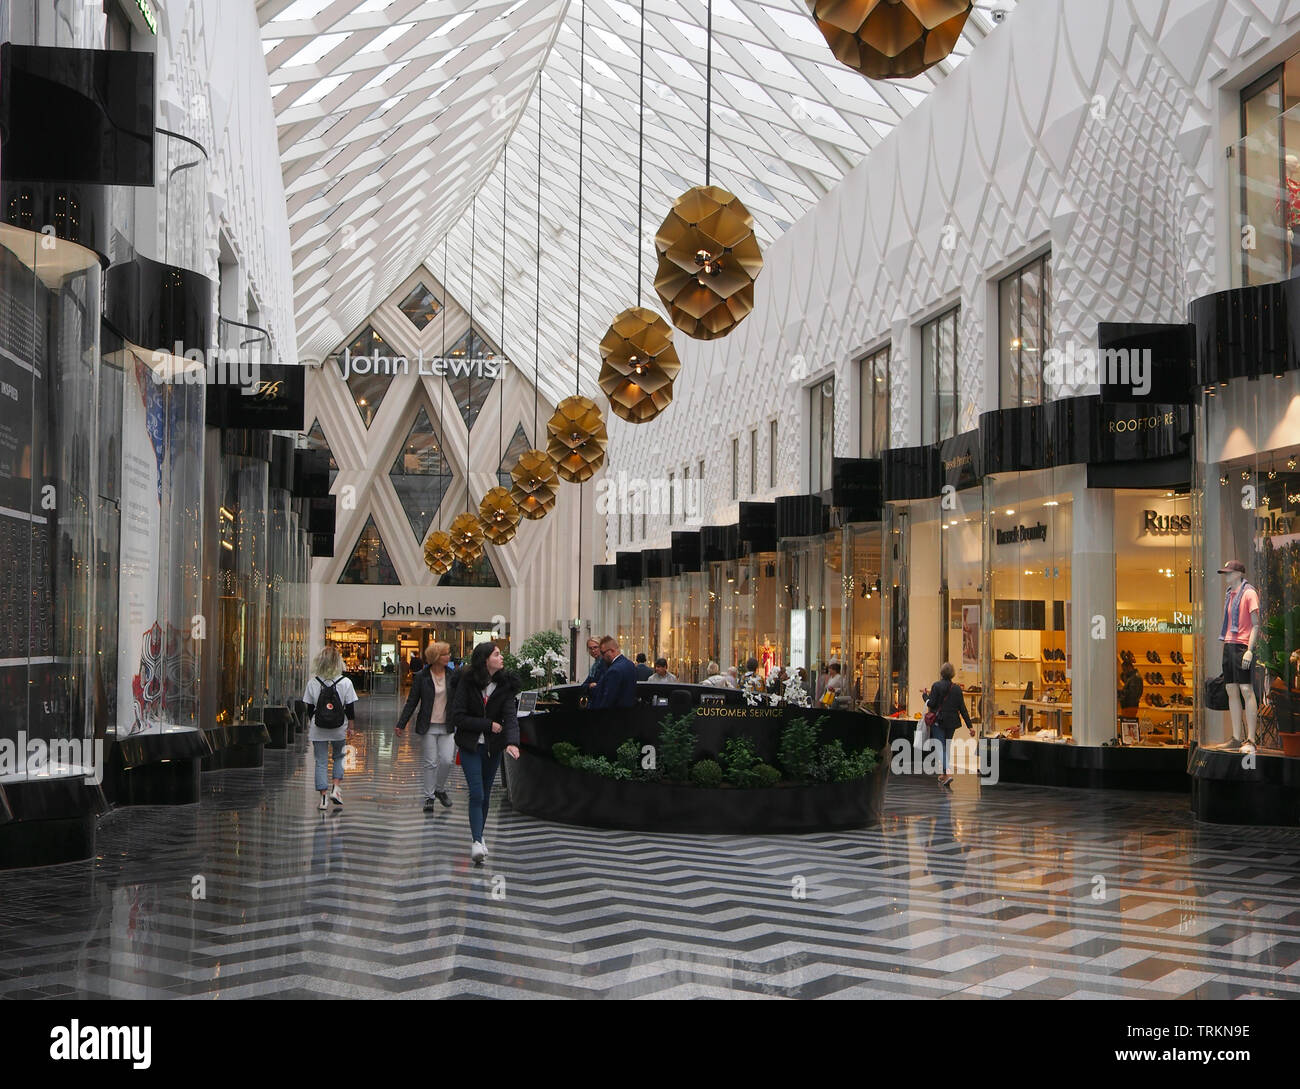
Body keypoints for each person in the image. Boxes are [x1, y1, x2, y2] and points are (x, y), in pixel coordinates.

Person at [450, 642, 521, 862]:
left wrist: (512, 742)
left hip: (493, 747)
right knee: (477, 792)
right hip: (470, 745)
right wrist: (487, 725)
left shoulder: (505, 685)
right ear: (485, 659)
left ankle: (480, 836)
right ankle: (476, 841)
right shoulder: (467, 682)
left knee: (486, 793)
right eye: (497, 654)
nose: (501, 658)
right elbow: (458, 716)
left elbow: (510, 717)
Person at [394, 640, 459, 813]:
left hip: (447, 725)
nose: (449, 656)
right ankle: (429, 797)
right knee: (430, 763)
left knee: (446, 760)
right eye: (445, 654)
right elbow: (412, 701)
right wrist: (401, 723)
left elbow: (460, 699)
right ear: (436, 657)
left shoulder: (452, 675)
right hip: (428, 725)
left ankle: (439, 788)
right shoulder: (422, 677)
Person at [304, 645, 359, 811]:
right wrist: (351, 726)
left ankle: (322, 799)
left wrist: (314, 722)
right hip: (338, 727)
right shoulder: (346, 682)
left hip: (318, 728)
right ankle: (336, 788)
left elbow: (308, 708)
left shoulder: (313, 682)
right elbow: (350, 708)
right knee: (339, 756)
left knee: (320, 761)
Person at [1218, 559, 1261, 753]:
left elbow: (1256, 624)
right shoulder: (1230, 594)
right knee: (1231, 689)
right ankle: (1236, 737)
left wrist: (1250, 650)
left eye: (1229, 572)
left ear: (1238, 574)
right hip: (1228, 644)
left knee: (1246, 689)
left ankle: (1251, 738)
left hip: (1243, 645)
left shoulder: (1249, 593)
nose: (1226, 575)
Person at [924, 662, 973, 789]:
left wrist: (925, 696)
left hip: (938, 721)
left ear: (941, 673)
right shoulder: (957, 688)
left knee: (940, 747)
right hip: (952, 722)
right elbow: (962, 708)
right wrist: (970, 726)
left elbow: (932, 703)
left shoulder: (936, 686)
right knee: (947, 746)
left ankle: (947, 773)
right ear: (953, 674)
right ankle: (944, 773)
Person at [589, 635, 638, 709]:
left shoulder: (614, 670)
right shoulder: (630, 664)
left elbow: (608, 699)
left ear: (612, 650)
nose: (601, 656)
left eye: (603, 653)